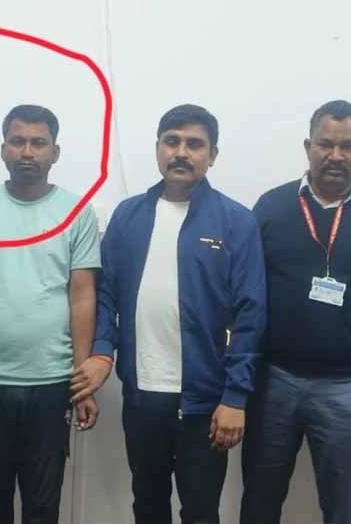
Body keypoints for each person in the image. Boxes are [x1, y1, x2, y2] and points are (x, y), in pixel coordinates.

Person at [71, 104, 265, 524]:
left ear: (212, 155)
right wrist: (102, 350)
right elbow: (106, 295)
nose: (181, 152)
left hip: (204, 398)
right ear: (158, 147)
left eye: (195, 144)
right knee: (147, 505)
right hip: (142, 395)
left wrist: (236, 396)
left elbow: (250, 315)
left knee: (200, 511)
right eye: (171, 141)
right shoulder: (128, 216)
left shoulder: (235, 221)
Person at [240, 100, 351, 524]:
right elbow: (244, 296)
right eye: (325, 144)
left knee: (346, 511)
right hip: (275, 383)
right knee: (259, 503)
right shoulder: (271, 208)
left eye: (348, 146)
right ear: (308, 147)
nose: (336, 155)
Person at [0, 104, 101, 524]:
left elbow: (82, 296)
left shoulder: (77, 212)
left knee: (43, 506)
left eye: (38, 143)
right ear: (3, 149)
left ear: (55, 152)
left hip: (51, 380)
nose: (27, 151)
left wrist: (82, 382)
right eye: (17, 141)